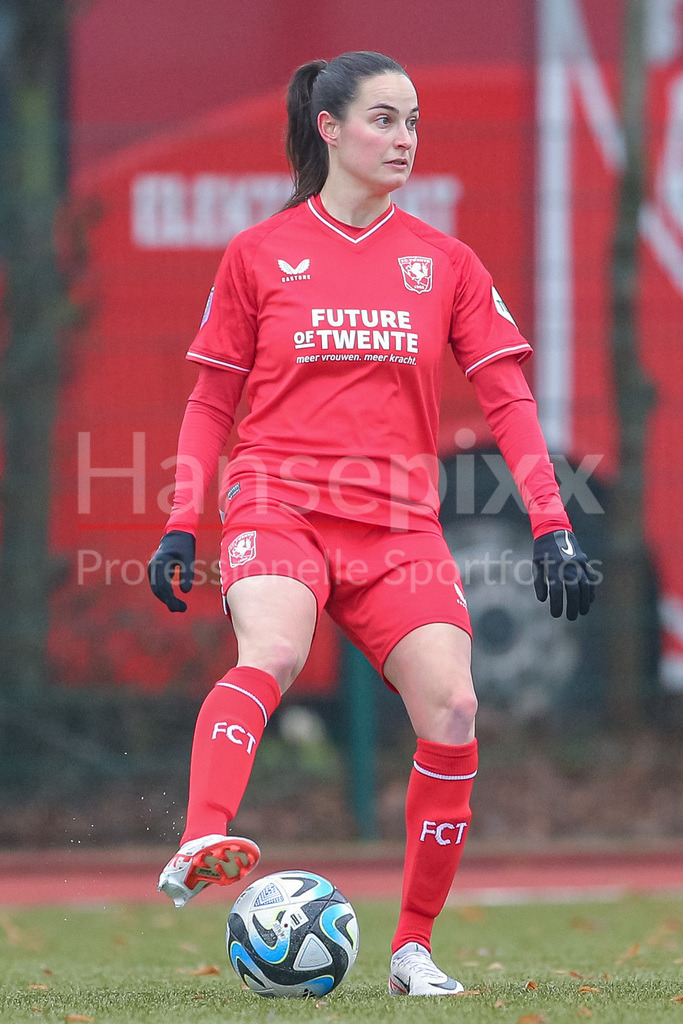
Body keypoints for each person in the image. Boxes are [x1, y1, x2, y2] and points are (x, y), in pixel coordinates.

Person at [148, 50, 596, 997]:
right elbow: (210, 401)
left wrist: (551, 524)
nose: (403, 140)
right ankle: (201, 838)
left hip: (397, 528)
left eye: (413, 122)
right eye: (383, 119)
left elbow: (508, 399)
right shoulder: (259, 253)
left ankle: (411, 951)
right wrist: (182, 520)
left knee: (455, 709)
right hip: (277, 500)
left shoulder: (445, 261)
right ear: (329, 128)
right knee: (272, 650)